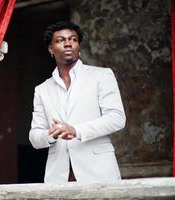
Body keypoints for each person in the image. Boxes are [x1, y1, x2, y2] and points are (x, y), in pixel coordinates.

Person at [29, 21, 126, 183]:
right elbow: (34, 137)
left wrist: (76, 130)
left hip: (99, 172)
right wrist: (50, 134)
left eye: (73, 39)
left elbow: (116, 118)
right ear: (50, 49)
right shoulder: (42, 89)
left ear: (79, 47)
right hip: (59, 176)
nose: (68, 44)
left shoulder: (101, 76)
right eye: (60, 40)